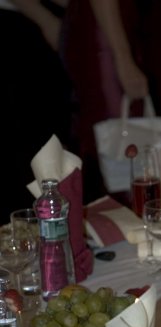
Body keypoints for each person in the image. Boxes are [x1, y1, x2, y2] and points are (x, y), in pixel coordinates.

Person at [60, 0, 149, 203]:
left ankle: (111, 213)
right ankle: (119, 215)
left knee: (106, 139)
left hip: (104, 30)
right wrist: (123, 57)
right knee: (116, 142)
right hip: (106, 39)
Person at [0, 0, 72, 225]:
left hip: (34, 23)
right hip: (16, 26)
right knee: (30, 142)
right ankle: (27, 230)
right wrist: (46, 19)